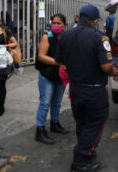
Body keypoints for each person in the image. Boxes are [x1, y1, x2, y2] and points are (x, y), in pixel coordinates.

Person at [55, 5, 117, 172]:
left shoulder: (65, 35)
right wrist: (114, 71)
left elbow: (60, 61)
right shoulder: (101, 37)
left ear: (80, 18)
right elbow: (106, 67)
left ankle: (86, 153)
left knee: (82, 123)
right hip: (95, 90)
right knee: (96, 122)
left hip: (75, 89)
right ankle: (81, 159)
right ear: (95, 21)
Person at [35, 13, 68, 145]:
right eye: (53, 23)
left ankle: (55, 123)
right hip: (46, 74)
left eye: (58, 23)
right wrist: (58, 63)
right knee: (45, 103)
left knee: (57, 102)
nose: (55, 26)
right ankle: (40, 130)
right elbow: (41, 56)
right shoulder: (46, 37)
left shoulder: (66, 38)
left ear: (64, 25)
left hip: (60, 75)